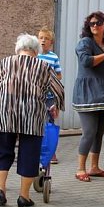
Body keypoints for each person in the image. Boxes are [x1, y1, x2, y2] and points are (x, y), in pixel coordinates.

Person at [0, 34, 64, 207]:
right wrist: (57, 105)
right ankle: (24, 196)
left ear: (18, 48)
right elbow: (58, 89)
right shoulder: (43, 66)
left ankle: (0, 189)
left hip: (5, 114)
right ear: (36, 51)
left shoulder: (5, 62)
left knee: (2, 150)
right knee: (29, 154)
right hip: (32, 116)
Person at [72, 12, 104, 182]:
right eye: (91, 24)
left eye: (98, 23)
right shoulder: (85, 43)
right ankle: (80, 168)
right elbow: (86, 61)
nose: (95, 26)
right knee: (89, 132)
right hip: (87, 92)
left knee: (99, 132)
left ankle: (94, 167)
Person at [37, 27, 62, 164]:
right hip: (36, 95)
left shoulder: (53, 57)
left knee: (49, 123)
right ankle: (36, 149)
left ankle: (50, 152)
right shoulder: (35, 55)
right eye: (40, 38)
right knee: (36, 121)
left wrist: (51, 78)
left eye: (46, 39)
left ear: (51, 42)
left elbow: (59, 75)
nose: (42, 41)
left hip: (49, 96)